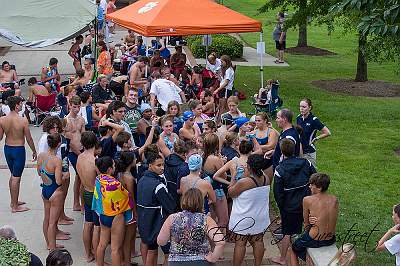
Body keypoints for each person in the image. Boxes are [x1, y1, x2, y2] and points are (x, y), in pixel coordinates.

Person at [272, 138, 316, 265]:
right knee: (309, 228)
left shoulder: (280, 169)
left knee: (287, 232)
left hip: (289, 207)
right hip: (307, 203)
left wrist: (282, 208)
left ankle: (282, 258)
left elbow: (277, 193)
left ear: (282, 151)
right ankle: (309, 256)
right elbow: (315, 178)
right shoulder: (306, 162)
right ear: (294, 149)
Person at [157, 188, 225, 265]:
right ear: (201, 202)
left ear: (183, 200)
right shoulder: (206, 219)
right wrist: (213, 258)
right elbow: (221, 242)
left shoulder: (172, 218)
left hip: (177, 261)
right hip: (201, 260)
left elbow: (161, 241)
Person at [228, 154, 271, 266]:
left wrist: (233, 176)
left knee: (240, 243)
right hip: (260, 216)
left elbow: (231, 193)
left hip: (245, 218)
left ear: (249, 167)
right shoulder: (266, 177)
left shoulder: (244, 182)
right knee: (258, 241)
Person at [137, 152, 176, 266]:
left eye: (163, 165)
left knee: (151, 250)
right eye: (158, 165)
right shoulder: (158, 186)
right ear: (150, 166)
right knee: (168, 253)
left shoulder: (141, 180)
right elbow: (170, 206)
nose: (162, 168)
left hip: (145, 222)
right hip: (158, 224)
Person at [290, 173, 338, 266]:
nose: (309, 186)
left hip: (315, 239)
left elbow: (306, 224)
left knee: (293, 249)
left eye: (312, 184)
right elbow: (330, 217)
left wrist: (310, 222)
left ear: (319, 187)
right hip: (330, 239)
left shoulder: (307, 200)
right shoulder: (334, 199)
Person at [92, 156, 131, 266]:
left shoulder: (98, 179)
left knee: (102, 244)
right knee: (115, 249)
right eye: (113, 165)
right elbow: (126, 198)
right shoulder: (115, 184)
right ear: (109, 169)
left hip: (103, 215)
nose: (115, 167)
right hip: (116, 217)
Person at [0, 96, 37, 212]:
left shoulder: (2, 119)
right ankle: (15, 207)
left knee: (13, 175)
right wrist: (34, 150)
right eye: (21, 103)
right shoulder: (23, 120)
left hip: (7, 149)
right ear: (16, 105)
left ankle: (13, 201)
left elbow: (0, 137)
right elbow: (29, 139)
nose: (22, 105)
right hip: (18, 150)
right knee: (16, 178)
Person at [37, 116, 73, 228]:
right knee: (52, 209)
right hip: (52, 175)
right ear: (48, 128)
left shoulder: (57, 137)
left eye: (57, 127)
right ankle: (55, 229)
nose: (56, 130)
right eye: (53, 128)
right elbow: (43, 160)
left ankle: (61, 216)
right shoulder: (45, 140)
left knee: (61, 196)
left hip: (60, 168)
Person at [76, 131, 100, 262]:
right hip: (94, 195)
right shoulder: (94, 161)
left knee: (87, 224)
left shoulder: (80, 157)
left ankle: (88, 253)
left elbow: (80, 180)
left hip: (85, 191)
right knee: (96, 227)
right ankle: (97, 254)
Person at [37, 133, 63, 250]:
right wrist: (65, 176)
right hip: (55, 191)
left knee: (46, 219)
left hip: (45, 190)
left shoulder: (41, 156)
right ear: (59, 144)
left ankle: (49, 243)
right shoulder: (57, 160)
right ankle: (53, 248)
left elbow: (39, 172)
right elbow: (58, 181)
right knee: (52, 222)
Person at [115, 151, 138, 266]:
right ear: (130, 161)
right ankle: (127, 263)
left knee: (123, 239)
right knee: (128, 239)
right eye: (134, 158)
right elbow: (132, 197)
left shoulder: (119, 174)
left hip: (121, 208)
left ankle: (125, 260)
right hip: (129, 210)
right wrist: (135, 213)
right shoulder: (128, 177)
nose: (136, 160)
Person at [63, 96, 86, 211]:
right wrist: (80, 154)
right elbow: (69, 142)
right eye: (74, 107)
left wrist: (86, 151)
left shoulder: (81, 119)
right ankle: (79, 203)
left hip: (81, 150)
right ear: (70, 106)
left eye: (78, 106)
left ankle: (78, 203)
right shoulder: (66, 120)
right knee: (81, 176)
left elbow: (84, 135)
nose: (77, 109)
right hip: (72, 152)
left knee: (80, 177)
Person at [203, 133, 228, 233]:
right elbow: (224, 176)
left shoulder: (203, 156)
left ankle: (210, 243)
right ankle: (217, 242)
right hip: (217, 191)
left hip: (208, 191)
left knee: (212, 219)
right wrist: (223, 162)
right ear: (216, 144)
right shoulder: (215, 159)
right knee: (223, 220)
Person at [297, 98, 331, 168]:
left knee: (311, 174)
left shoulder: (314, 120)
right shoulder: (298, 118)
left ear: (309, 108)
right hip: (299, 151)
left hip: (309, 152)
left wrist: (316, 138)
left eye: (304, 107)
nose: (301, 109)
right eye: (300, 106)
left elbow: (327, 132)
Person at [164, 139, 190, 208]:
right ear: (184, 153)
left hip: (168, 196)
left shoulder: (167, 159)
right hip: (179, 200)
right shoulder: (183, 167)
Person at [213, 55, 235, 123]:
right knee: (224, 107)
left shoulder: (229, 70)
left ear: (226, 62)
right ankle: (228, 120)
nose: (221, 63)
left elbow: (226, 83)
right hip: (223, 89)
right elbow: (223, 80)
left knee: (221, 107)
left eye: (222, 62)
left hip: (225, 89)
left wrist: (217, 90)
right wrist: (218, 76)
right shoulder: (225, 69)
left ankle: (218, 122)